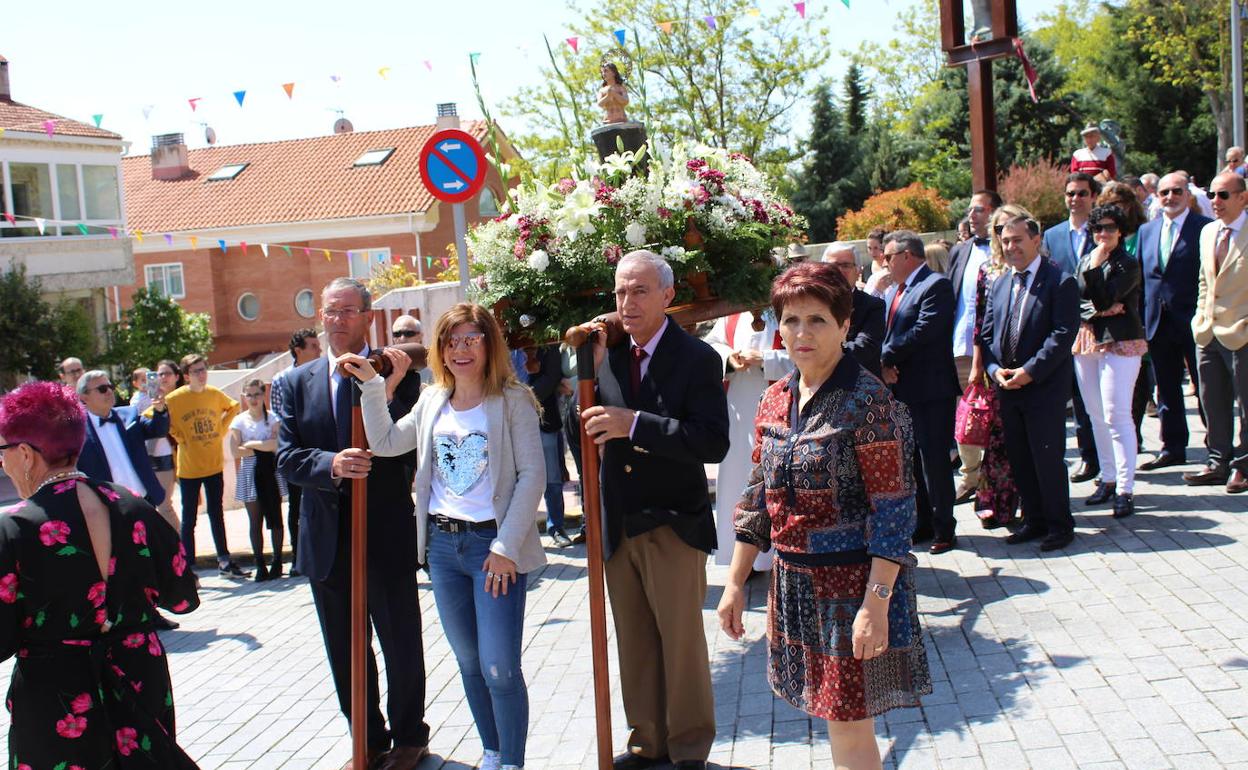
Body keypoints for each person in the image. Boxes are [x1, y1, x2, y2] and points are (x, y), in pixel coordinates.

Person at [716, 261, 931, 770]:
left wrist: (875, 606)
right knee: (832, 718)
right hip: (793, 584)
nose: (801, 333)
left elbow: (895, 513)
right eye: (791, 320)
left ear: (844, 325)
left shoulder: (871, 402)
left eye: (816, 320)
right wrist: (734, 584)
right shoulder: (775, 398)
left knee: (851, 727)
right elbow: (758, 497)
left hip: (852, 588)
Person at [346, 303, 545, 770]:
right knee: (471, 663)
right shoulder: (433, 398)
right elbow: (388, 443)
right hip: (441, 548)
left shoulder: (513, 401)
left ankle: (513, 762)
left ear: (489, 345)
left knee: (499, 666)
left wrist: (505, 547)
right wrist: (374, 388)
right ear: (440, 349)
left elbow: (533, 476)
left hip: (492, 549)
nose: (461, 349)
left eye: (472, 339)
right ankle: (493, 753)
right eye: (452, 340)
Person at [578, 250, 729, 770]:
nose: (627, 302)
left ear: (668, 296)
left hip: (673, 524)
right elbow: (580, 426)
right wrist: (588, 369)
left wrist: (635, 424)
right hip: (619, 523)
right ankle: (648, 743)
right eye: (620, 292)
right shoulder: (609, 357)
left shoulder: (697, 358)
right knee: (635, 642)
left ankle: (689, 751)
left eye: (639, 291)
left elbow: (711, 442)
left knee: (681, 645)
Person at [0, 381, 200, 768]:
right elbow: (182, 597)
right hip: (138, 675)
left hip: (57, 694)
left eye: (3, 450)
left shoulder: (14, 529)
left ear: (25, 454)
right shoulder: (135, 507)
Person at [276, 277, 430, 770]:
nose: (336, 320)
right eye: (329, 311)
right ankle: (366, 739)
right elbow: (286, 458)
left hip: (383, 530)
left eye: (347, 311)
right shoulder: (295, 383)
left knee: (400, 639)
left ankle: (410, 737)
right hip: (326, 539)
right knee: (345, 649)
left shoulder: (399, 373)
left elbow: (412, 448)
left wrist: (379, 390)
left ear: (369, 317)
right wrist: (331, 465)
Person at [979, 215, 1081, 551]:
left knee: (1047, 458)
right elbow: (989, 334)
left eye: (1017, 240)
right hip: (1008, 387)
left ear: (1036, 240)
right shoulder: (1000, 284)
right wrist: (994, 370)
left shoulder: (1059, 280)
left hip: (1043, 387)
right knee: (1020, 458)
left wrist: (1030, 371)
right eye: (1005, 241)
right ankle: (1034, 520)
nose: (1011, 247)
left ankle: (1059, 525)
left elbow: (1062, 335)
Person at [76, 369, 182, 632]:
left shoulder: (127, 415)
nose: (109, 391)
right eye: (101, 389)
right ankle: (118, 615)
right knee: (114, 564)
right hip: (105, 506)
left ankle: (152, 613)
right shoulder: (76, 431)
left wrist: (159, 409)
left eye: (109, 386)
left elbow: (157, 429)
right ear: (84, 398)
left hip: (139, 502)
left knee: (145, 560)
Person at [880, 230, 960, 554]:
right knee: (911, 461)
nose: (885, 263)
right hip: (904, 390)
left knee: (934, 461)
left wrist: (886, 355)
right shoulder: (897, 290)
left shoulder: (935, 285)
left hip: (931, 390)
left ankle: (945, 527)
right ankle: (923, 523)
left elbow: (924, 330)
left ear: (906, 256)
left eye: (888, 257)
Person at [1072, 204, 1146, 518]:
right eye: (1098, 229)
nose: (1103, 234)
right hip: (1088, 339)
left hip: (1121, 342)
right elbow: (1077, 300)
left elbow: (1103, 298)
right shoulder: (1086, 259)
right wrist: (1099, 309)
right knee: (1094, 413)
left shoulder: (1127, 263)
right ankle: (1108, 476)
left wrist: (1100, 303)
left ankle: (1126, 489)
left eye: (1110, 228)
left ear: (1121, 231)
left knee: (1117, 414)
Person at [705, 304, 792, 573]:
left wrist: (766, 359)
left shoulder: (783, 310)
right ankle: (743, 560)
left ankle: (776, 555)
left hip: (780, 409)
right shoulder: (730, 315)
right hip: (737, 410)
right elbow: (712, 346)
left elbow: (803, 354)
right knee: (737, 478)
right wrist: (730, 358)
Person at [963, 205, 1032, 529]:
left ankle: (1027, 500)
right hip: (994, 369)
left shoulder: (1036, 268)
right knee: (994, 440)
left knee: (1022, 440)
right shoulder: (988, 269)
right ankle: (995, 503)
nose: (1006, 238)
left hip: (1027, 367)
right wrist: (978, 364)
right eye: (1000, 230)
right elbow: (980, 322)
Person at [1138, 173, 1213, 470]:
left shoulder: (1204, 228)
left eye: (1176, 191)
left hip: (1194, 320)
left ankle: (1216, 445)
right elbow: (1145, 279)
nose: (1170, 197)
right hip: (1158, 321)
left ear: (1188, 195)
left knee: (1206, 386)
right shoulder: (1147, 231)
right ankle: (1172, 446)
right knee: (1166, 388)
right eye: (1164, 192)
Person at [1186, 172, 1248, 494]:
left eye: (1223, 195)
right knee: (1212, 401)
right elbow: (1204, 281)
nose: (1215, 201)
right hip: (1208, 332)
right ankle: (1217, 461)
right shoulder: (1208, 232)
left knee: (1246, 403)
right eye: (1212, 195)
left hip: (1242, 333)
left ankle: (1244, 465)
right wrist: (1200, 318)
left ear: (1243, 197)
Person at [165, 353, 246, 578]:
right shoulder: (175, 398)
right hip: (190, 467)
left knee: (216, 513)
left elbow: (234, 406)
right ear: (186, 375)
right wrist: (177, 435)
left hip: (213, 464)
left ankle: (224, 560)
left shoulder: (213, 394)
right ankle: (188, 565)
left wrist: (220, 429)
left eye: (203, 369)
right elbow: (158, 416)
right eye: (196, 371)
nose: (201, 375)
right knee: (189, 517)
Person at [1044, 172, 1103, 483]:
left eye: (1081, 193)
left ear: (1092, 196)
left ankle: (1100, 457)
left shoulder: (1102, 231)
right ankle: (1086, 456)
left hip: (1098, 324)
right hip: (1062, 326)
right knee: (1073, 397)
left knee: (1093, 397)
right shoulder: (1052, 236)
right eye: (1070, 193)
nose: (1075, 199)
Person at [947, 190, 1001, 504]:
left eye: (978, 209)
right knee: (966, 414)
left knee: (995, 417)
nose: (972, 215)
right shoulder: (961, 251)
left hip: (996, 348)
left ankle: (997, 481)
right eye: (970, 210)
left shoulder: (1005, 249)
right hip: (961, 345)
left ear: (995, 212)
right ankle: (970, 477)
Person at [269, 328, 321, 577]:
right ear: (298, 350)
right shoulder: (284, 379)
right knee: (295, 507)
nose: (318, 350)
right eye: (313, 345)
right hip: (297, 453)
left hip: (320, 452)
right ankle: (297, 556)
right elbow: (280, 417)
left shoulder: (324, 374)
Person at [229, 378, 286, 581]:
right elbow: (236, 450)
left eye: (257, 394)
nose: (253, 399)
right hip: (249, 472)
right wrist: (263, 443)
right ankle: (260, 562)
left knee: (276, 515)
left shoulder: (273, 418)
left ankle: (278, 561)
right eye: (249, 395)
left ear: (263, 395)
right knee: (255, 520)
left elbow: (276, 445)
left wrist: (251, 443)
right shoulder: (239, 421)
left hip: (270, 470)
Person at [527, 343, 573, 548]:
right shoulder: (503, 343)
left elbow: (552, 376)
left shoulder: (546, 343)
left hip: (543, 420)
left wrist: (520, 398)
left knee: (552, 479)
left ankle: (556, 528)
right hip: (509, 421)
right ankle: (523, 534)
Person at [823, 243, 886, 378]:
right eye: (832, 266)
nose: (838, 271)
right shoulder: (812, 305)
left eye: (845, 265)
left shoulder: (873, 306)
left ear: (858, 270)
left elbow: (864, 347)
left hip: (859, 389)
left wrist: (819, 355)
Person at [132, 360, 180, 528]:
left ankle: (180, 549)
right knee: (150, 507)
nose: (148, 382)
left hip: (165, 455)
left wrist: (160, 408)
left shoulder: (170, 397)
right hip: (147, 455)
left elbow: (162, 427)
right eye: (159, 375)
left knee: (165, 506)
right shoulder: (136, 401)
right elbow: (139, 425)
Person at [392, 315, 433, 386]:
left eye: (408, 333)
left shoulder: (433, 367)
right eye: (397, 334)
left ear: (420, 336)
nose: (402, 339)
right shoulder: (387, 368)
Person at [862, 227, 893, 298]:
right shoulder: (866, 269)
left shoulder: (894, 267)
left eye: (876, 248)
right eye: (869, 248)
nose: (872, 252)